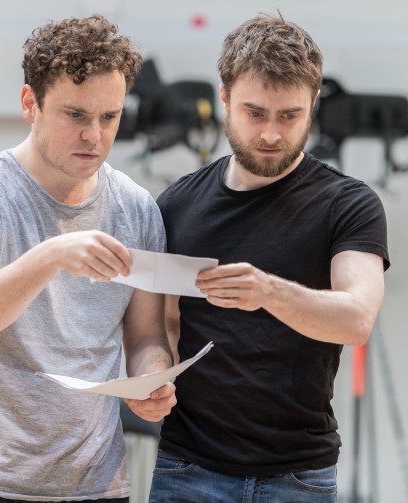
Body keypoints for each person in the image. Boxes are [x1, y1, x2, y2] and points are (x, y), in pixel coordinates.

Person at [0, 14, 176, 503]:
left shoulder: (136, 208)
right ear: (29, 104)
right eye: (75, 115)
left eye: (109, 117)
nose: (94, 136)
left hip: (97, 485)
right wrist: (53, 254)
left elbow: (146, 334)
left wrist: (152, 378)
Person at [149, 12, 389, 503]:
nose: (272, 135)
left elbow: (357, 319)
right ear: (224, 99)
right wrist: (152, 374)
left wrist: (269, 292)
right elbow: (163, 323)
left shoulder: (349, 204)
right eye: (255, 113)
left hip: (298, 477)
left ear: (313, 104)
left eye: (289, 116)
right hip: (187, 469)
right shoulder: (176, 205)